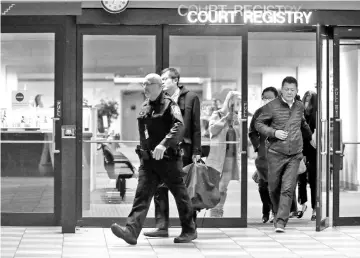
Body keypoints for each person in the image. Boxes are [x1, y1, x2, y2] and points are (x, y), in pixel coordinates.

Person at [110, 73, 197, 245]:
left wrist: (164, 144)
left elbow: (179, 126)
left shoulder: (170, 106)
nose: (145, 87)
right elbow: (144, 133)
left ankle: (189, 230)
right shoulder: (145, 105)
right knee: (141, 195)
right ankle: (131, 232)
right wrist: (143, 152)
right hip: (148, 161)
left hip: (168, 161)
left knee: (181, 195)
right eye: (143, 84)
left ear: (159, 86)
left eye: (148, 84)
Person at [144, 68, 201, 238]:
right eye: (160, 79)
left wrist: (197, 151)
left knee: (183, 190)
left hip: (183, 150)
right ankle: (162, 226)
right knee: (159, 188)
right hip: (161, 150)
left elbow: (196, 127)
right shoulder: (157, 99)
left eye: (165, 79)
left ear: (175, 80)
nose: (162, 82)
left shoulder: (190, 97)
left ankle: (190, 227)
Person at [255, 76, 313, 233]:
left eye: (292, 90)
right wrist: (274, 132)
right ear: (282, 90)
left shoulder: (299, 106)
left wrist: (311, 137)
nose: (289, 92)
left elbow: (302, 123)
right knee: (273, 187)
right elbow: (258, 124)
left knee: (287, 188)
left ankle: (281, 222)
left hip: (294, 155)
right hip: (275, 153)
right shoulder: (272, 106)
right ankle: (276, 211)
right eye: (286, 89)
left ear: (296, 91)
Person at [206, 91, 241, 218]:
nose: (237, 105)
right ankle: (214, 213)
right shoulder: (218, 114)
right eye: (235, 102)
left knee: (223, 186)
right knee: (214, 186)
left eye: (239, 103)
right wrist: (224, 119)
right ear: (229, 101)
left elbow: (241, 136)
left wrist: (237, 123)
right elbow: (212, 130)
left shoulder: (237, 117)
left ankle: (218, 212)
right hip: (217, 155)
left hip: (230, 157)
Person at [248, 87, 278, 223]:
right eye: (264, 97)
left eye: (270, 97)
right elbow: (252, 131)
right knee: (262, 186)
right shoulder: (259, 113)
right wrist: (257, 146)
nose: (267, 100)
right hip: (263, 154)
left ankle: (274, 212)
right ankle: (266, 210)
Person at [297, 91, 317, 220]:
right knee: (301, 178)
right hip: (302, 149)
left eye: (309, 100)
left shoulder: (316, 115)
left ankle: (315, 208)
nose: (306, 102)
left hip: (314, 150)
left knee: (314, 179)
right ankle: (303, 204)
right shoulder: (300, 114)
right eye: (306, 99)